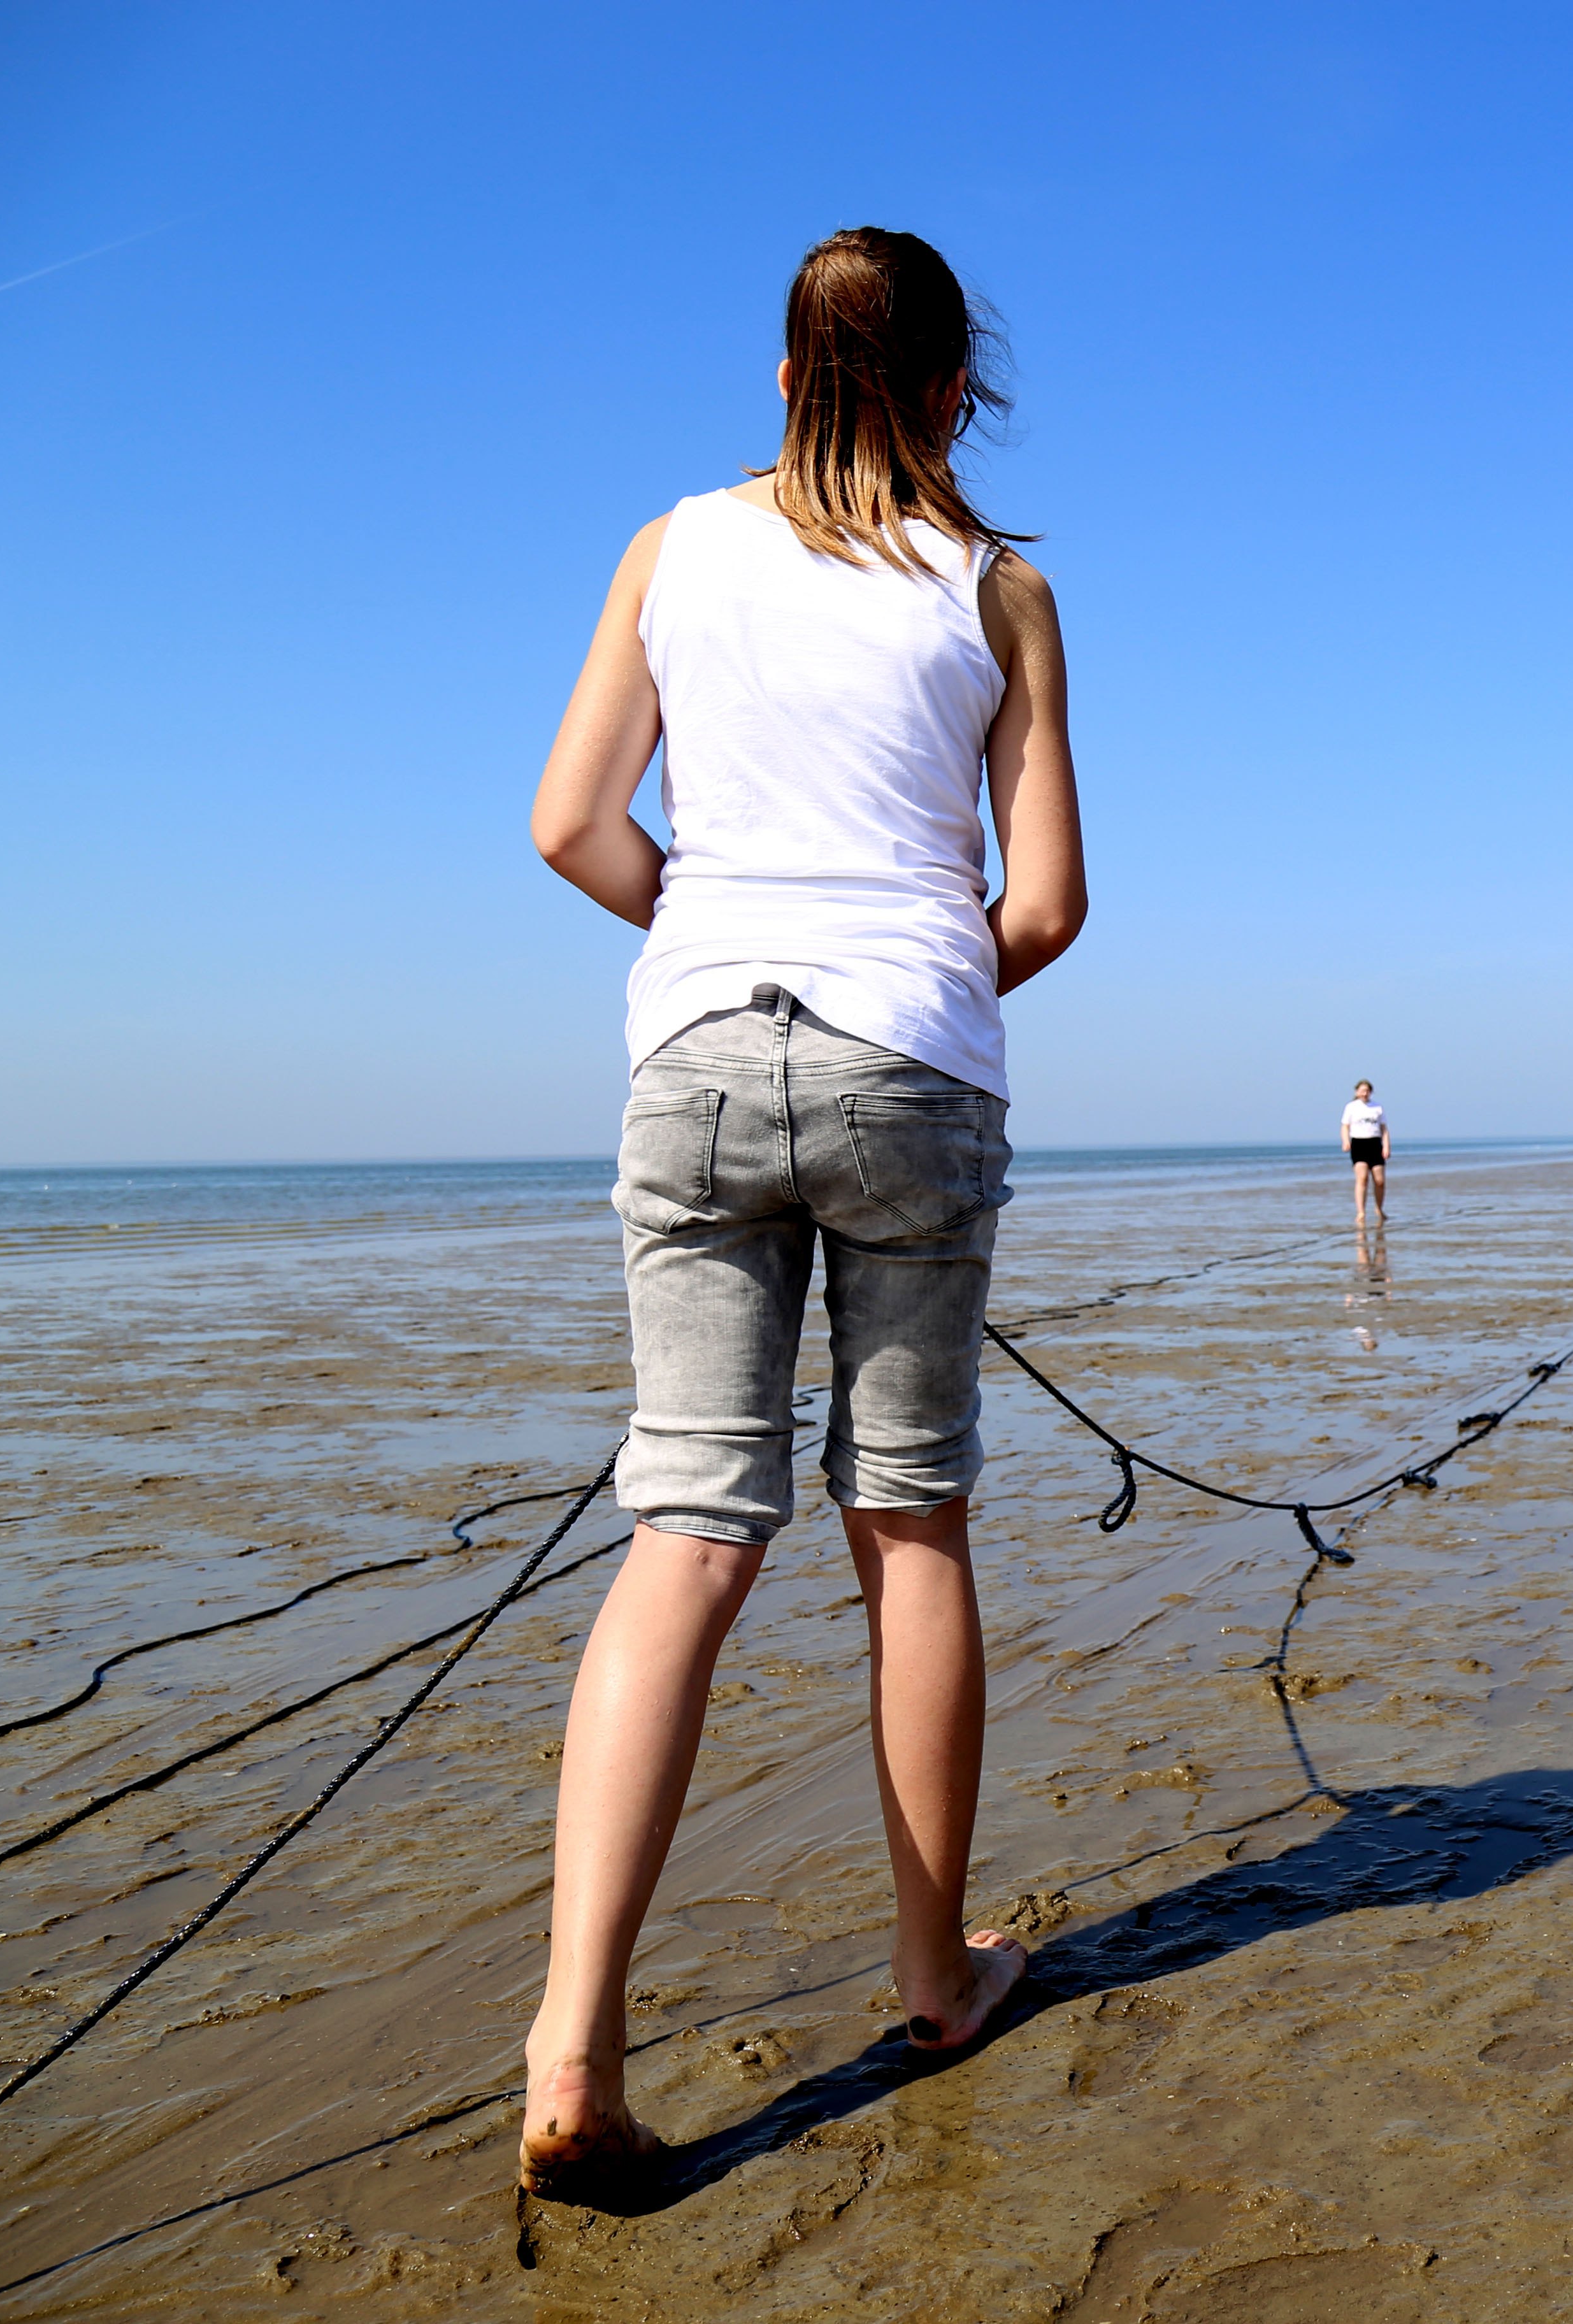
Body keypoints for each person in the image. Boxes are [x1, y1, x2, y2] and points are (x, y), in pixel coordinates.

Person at [519, 228, 1084, 2196]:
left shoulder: (671, 546)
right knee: (907, 1523)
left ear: (779, 381)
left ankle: (573, 2047)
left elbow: (573, 825)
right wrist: (902, 1001)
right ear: (951, 395)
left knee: (687, 1532)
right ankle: (940, 1975)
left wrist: (721, 948)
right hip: (913, 1056)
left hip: (693, 1046)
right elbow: (1043, 905)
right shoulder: (1000, 590)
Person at [1340, 1079, 1390, 1223]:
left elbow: (1384, 1129)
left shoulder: (1377, 1107)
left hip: (1375, 1144)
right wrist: (1345, 1141)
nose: (1365, 1093)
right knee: (1362, 1179)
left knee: (1380, 1181)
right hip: (1359, 1144)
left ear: (1371, 1092)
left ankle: (1379, 1208)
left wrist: (1386, 1146)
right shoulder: (1351, 1107)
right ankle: (1361, 1212)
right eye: (1362, 1091)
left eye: (1367, 1091)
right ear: (1357, 1092)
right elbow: (1345, 1126)